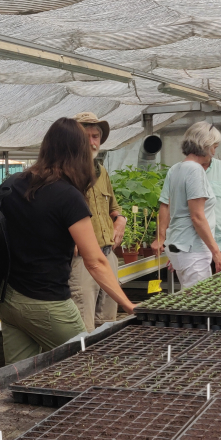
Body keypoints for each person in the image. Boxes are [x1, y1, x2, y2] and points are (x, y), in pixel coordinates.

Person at [0, 118, 136, 363]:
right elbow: (94, 262)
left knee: (20, 373)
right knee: (84, 364)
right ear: (78, 152)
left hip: (8, 300)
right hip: (47, 302)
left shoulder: (12, 184)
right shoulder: (68, 196)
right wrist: (129, 305)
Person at [68, 112, 127, 332]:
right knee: (84, 326)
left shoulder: (101, 172)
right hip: (82, 260)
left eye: (96, 137)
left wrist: (120, 219)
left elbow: (114, 207)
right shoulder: (65, 173)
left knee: (108, 321)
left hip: (107, 256)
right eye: (86, 137)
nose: (92, 142)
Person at [151, 121, 221, 287]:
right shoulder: (195, 170)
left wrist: (178, 254)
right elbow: (197, 216)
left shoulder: (176, 169)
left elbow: (168, 207)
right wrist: (216, 252)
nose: (214, 152)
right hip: (193, 249)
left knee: (190, 296)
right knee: (199, 300)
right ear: (205, 145)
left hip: (181, 246)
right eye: (214, 146)